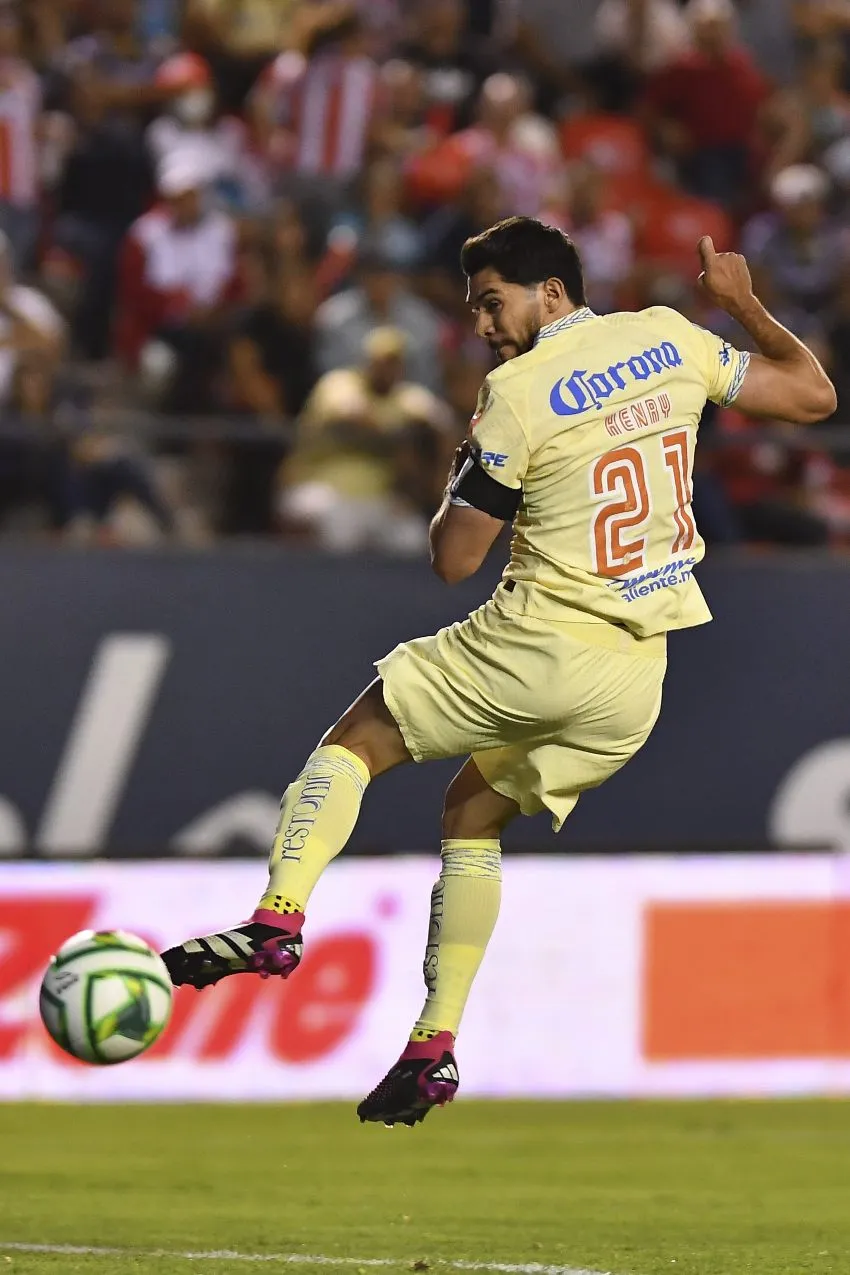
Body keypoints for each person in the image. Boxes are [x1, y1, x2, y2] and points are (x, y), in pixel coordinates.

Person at [161, 216, 836, 1126]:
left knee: (356, 739)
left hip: (540, 638)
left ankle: (277, 919)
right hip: (635, 678)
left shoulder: (513, 392)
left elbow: (453, 559)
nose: (482, 323)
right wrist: (744, 305)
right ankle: (433, 1046)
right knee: (472, 811)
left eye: (492, 301)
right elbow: (811, 396)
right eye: (476, 307)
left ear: (551, 291)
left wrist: (458, 481)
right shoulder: (670, 336)